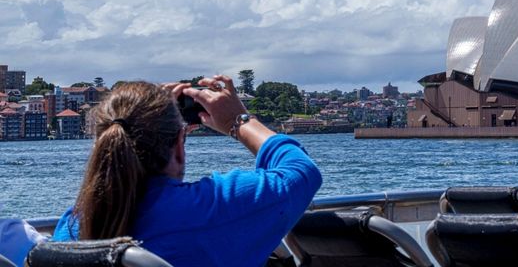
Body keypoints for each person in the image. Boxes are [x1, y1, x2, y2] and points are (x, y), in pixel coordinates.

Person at [52, 75, 322, 267]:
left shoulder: (74, 229)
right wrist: (238, 121)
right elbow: (301, 170)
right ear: (179, 146)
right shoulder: (213, 209)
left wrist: (167, 128)